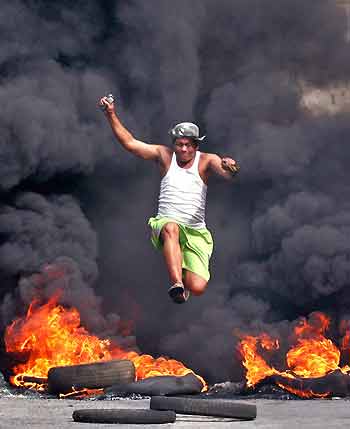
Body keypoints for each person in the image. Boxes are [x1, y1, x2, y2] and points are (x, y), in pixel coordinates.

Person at [99, 96, 239, 304]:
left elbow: (228, 174)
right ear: (174, 144)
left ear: (196, 145)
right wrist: (110, 113)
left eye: (188, 145)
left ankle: (184, 278)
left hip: (195, 231)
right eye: (179, 145)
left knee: (198, 287)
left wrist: (231, 167)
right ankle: (177, 284)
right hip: (166, 222)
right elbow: (130, 143)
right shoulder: (164, 156)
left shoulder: (207, 160)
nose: (183, 149)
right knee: (171, 228)